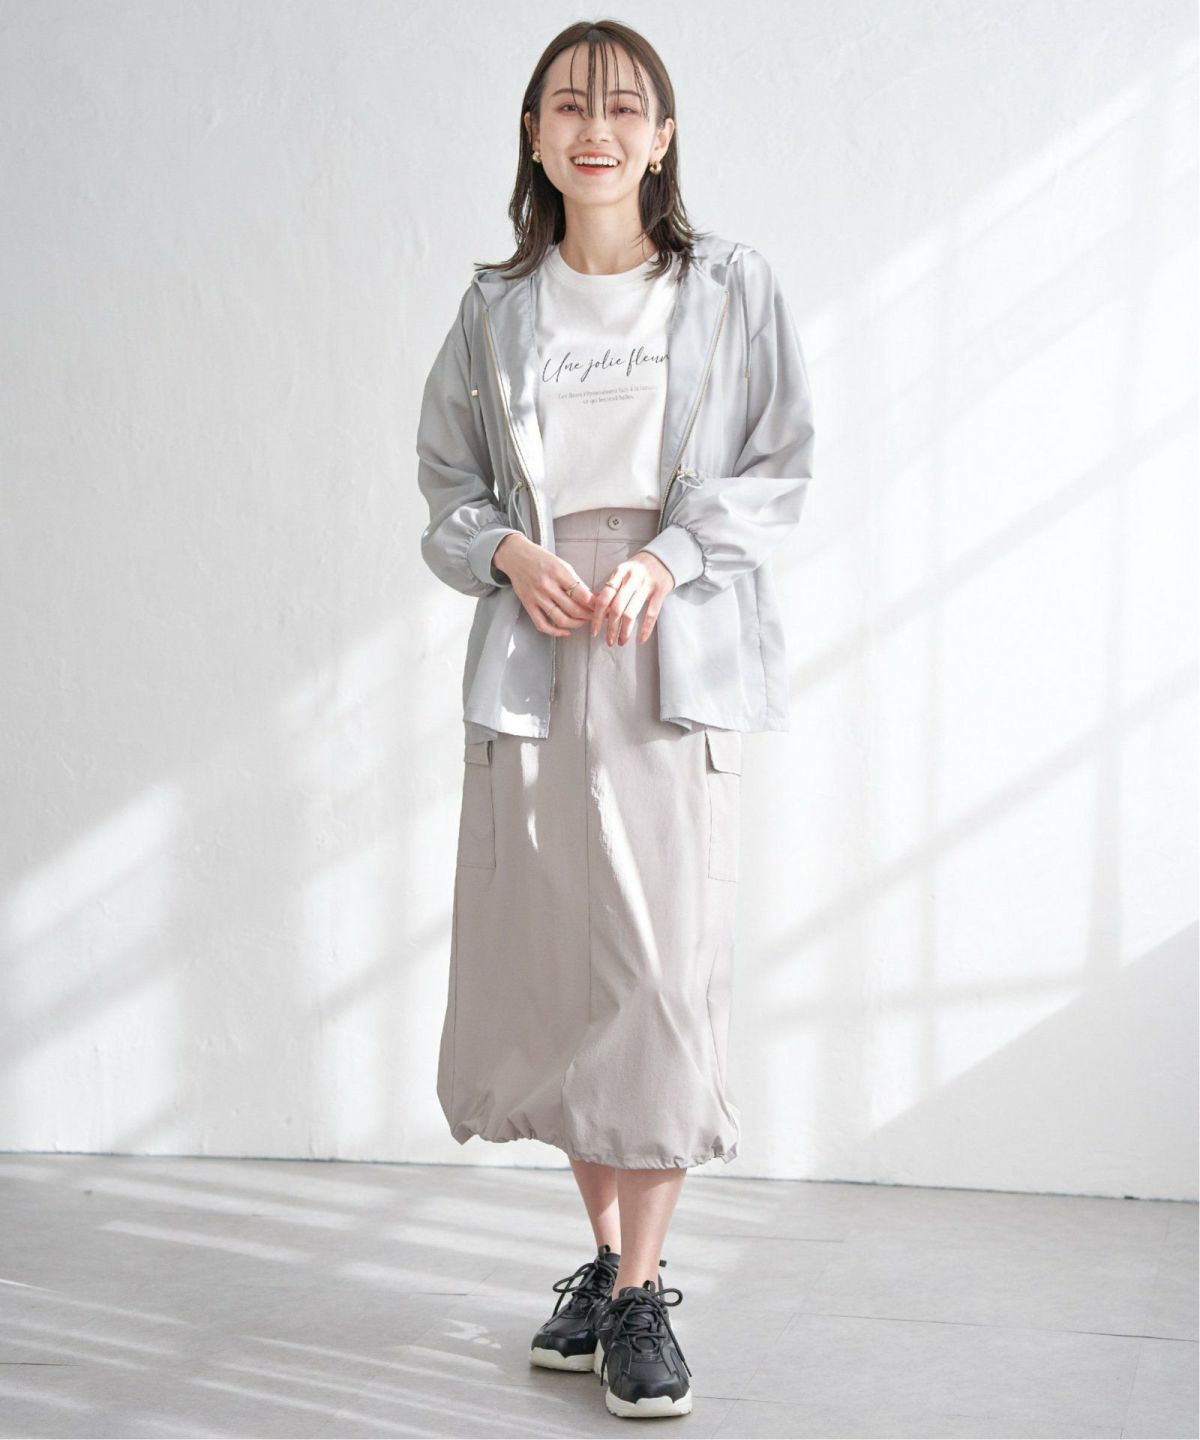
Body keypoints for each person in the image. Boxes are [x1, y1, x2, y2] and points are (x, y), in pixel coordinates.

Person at [415, 18, 814, 1421]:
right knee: (557, 979)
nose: (597, 127)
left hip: (667, 650)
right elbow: (448, 487)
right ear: (534, 137)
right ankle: (605, 1265)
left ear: (662, 138)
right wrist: (507, 553)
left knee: (657, 974)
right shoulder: (495, 310)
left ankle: (645, 1295)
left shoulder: (729, 288)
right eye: (569, 106)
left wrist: (673, 555)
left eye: (624, 106)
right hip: (536, 655)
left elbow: (778, 464)